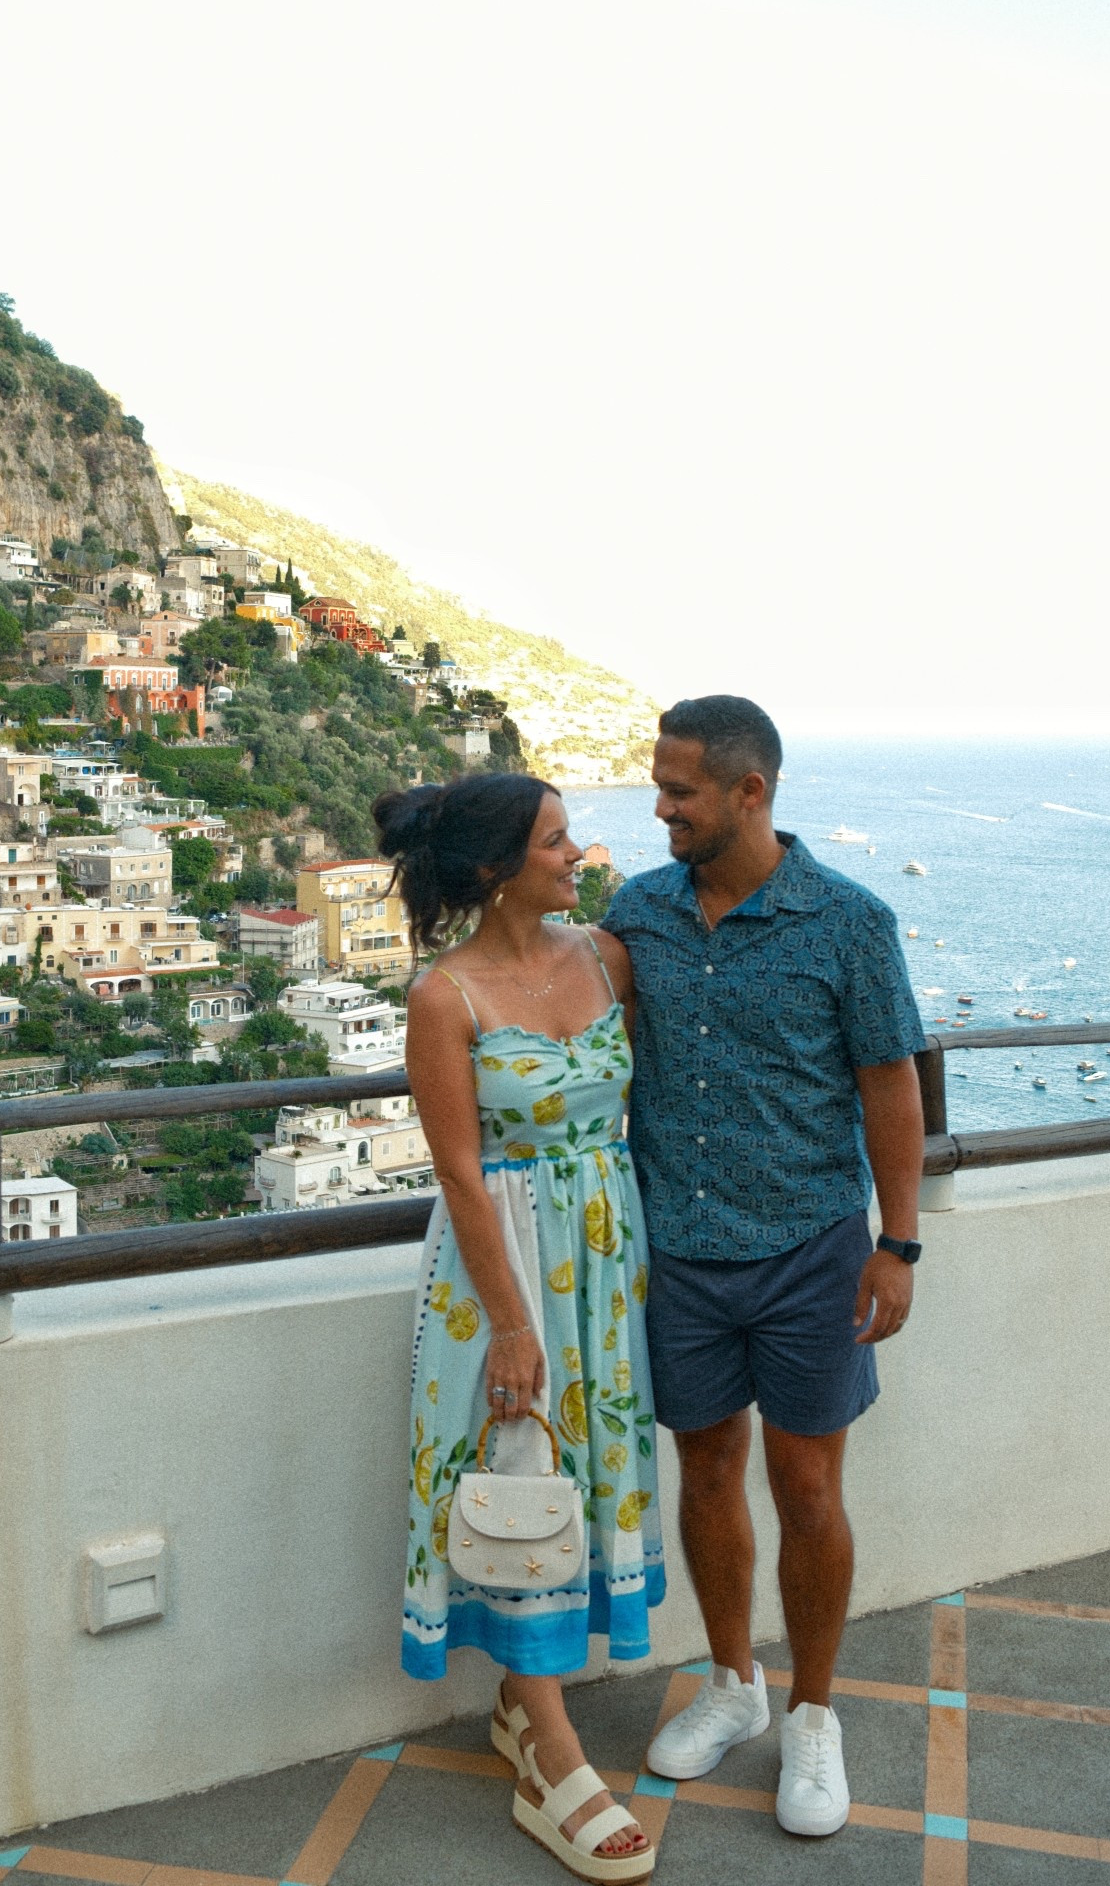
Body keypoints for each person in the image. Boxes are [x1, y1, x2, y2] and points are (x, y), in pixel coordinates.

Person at [598, 696, 925, 1839]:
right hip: (677, 1252)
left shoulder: (847, 920)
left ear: (749, 791)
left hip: (810, 1248)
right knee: (704, 1472)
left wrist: (898, 1239)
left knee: (809, 1487)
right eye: (659, 784)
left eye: (678, 790)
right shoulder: (635, 909)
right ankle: (732, 1680)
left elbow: (891, 1083)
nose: (659, 807)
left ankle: (812, 1714)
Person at [377, 771, 663, 1884]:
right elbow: (456, 1168)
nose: (577, 851)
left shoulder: (606, 956)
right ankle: (553, 1753)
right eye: (554, 839)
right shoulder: (444, 995)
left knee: (580, 1468)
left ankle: (517, 1700)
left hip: (604, 1254)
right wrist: (507, 1323)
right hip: (501, 1268)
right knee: (516, 1463)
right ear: (498, 867)